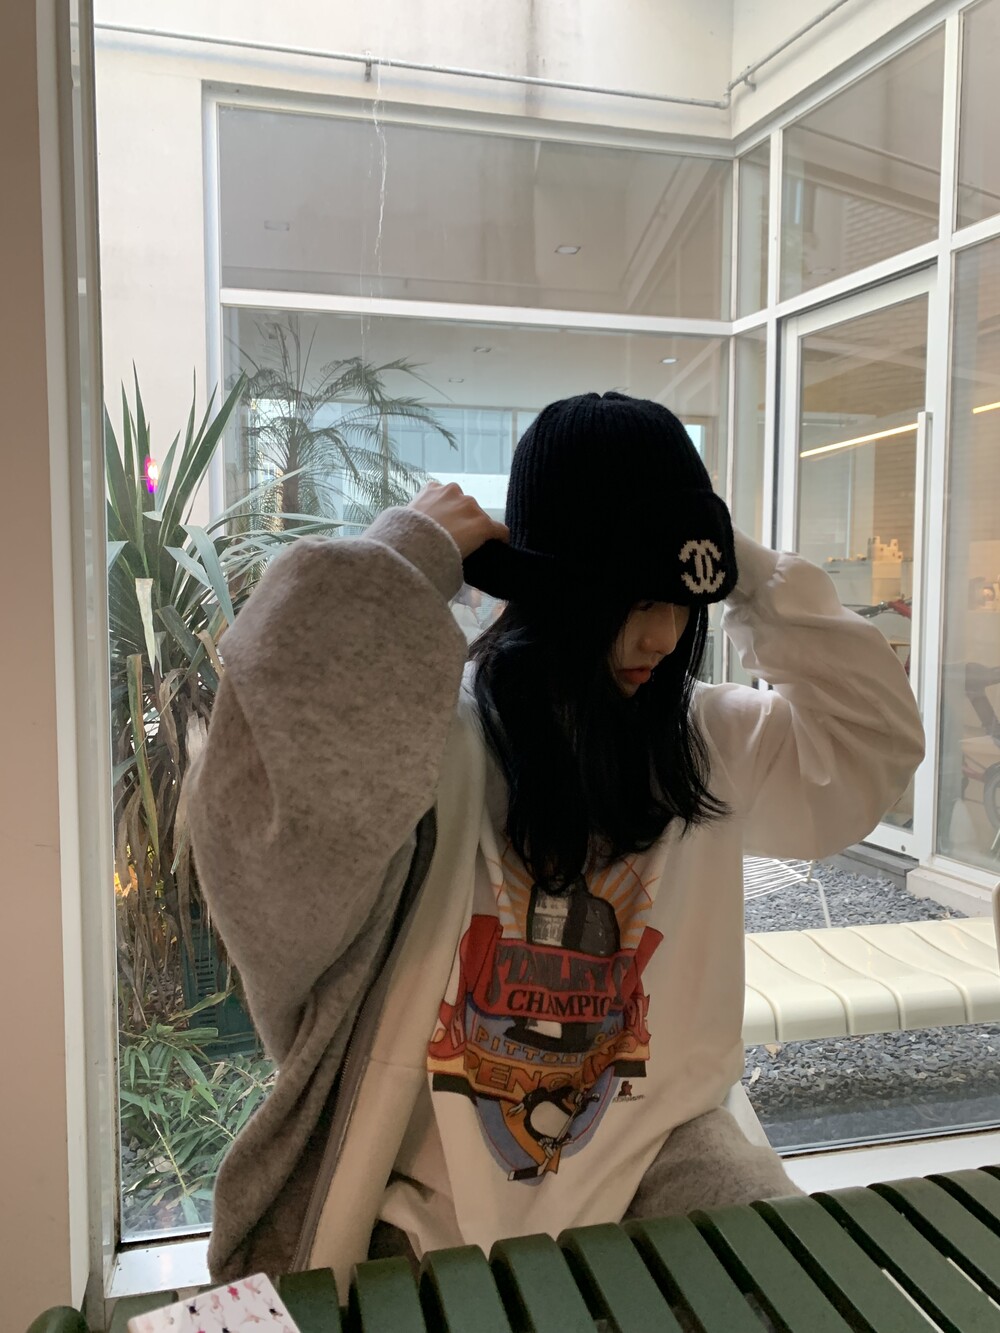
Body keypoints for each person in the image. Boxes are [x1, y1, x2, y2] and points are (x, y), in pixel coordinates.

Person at [188, 391, 924, 1288]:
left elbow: (876, 744)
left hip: (651, 1172)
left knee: (813, 1288)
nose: (663, 634)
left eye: (680, 599)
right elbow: (266, 803)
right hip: (413, 1211)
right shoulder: (436, 741)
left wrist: (743, 570)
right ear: (554, 594)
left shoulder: (708, 744)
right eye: (631, 598)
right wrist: (406, 550)